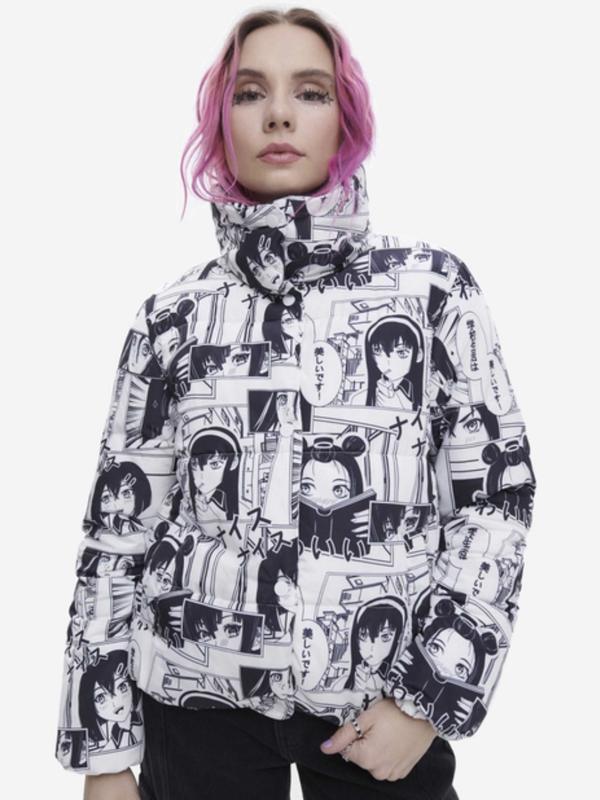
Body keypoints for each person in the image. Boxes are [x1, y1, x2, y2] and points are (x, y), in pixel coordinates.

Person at [54, 7, 537, 800]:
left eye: (310, 92)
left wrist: (425, 698)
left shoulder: (432, 292)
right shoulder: (171, 319)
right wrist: (104, 760)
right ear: (221, 120)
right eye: (251, 93)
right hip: (195, 720)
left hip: (377, 721)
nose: (278, 113)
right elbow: (117, 536)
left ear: (346, 118)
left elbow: (495, 502)